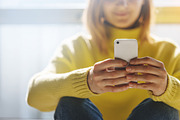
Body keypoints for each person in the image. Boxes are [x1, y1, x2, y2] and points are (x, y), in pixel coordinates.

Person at [26, 0, 180, 120]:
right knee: (70, 101)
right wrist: (86, 82)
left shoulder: (168, 51)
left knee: (165, 107)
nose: (122, 4)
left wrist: (168, 88)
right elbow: (34, 96)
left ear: (144, 3)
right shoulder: (76, 46)